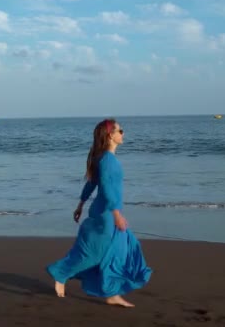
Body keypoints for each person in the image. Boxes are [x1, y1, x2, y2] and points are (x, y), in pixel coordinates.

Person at [46, 118, 152, 307]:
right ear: (111, 135)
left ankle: (112, 293)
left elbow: (91, 183)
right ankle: (61, 273)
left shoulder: (103, 158)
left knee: (121, 251)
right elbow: (105, 187)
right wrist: (116, 213)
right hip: (107, 215)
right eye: (120, 130)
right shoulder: (107, 160)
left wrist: (81, 203)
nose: (123, 134)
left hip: (107, 212)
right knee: (96, 254)